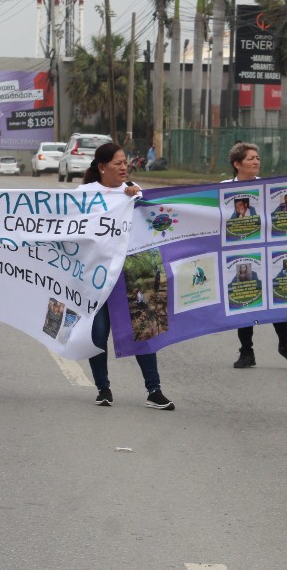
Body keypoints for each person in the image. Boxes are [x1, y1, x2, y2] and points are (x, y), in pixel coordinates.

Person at [80, 143, 174, 410]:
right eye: (118, 163)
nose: (124, 167)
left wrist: (138, 197)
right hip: (96, 278)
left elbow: (154, 224)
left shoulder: (133, 193)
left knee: (142, 330)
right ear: (102, 167)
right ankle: (103, 389)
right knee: (98, 334)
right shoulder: (84, 195)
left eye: (125, 162)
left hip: (130, 277)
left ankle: (154, 390)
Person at [225, 142, 287, 370]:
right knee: (245, 301)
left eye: (258, 157)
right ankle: (246, 351)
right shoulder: (222, 189)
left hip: (269, 254)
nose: (256, 161)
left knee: (276, 300)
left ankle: (285, 345)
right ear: (236, 164)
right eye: (250, 158)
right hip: (239, 254)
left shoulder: (269, 189)